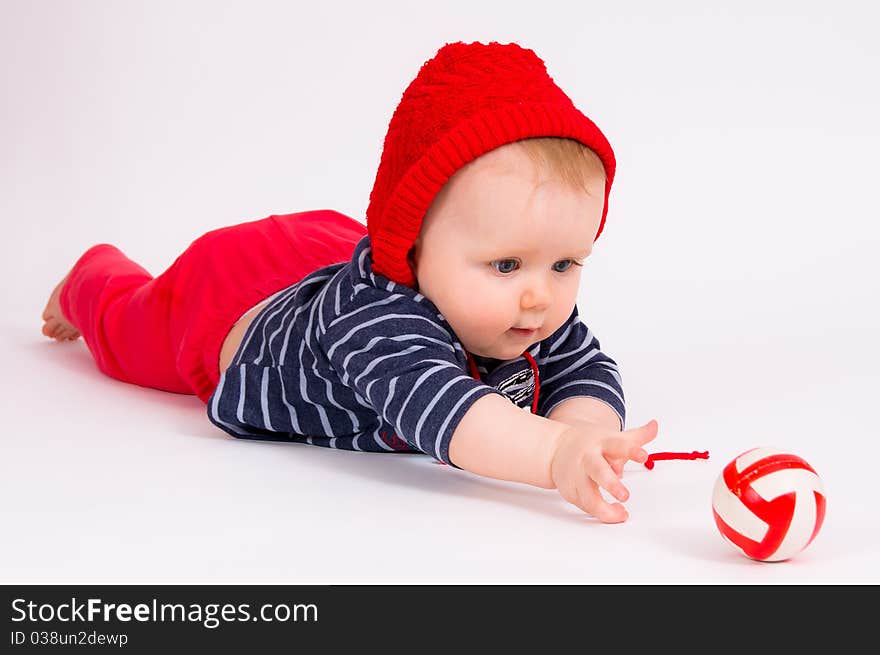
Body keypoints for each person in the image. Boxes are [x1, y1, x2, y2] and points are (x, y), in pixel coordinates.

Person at [41, 40, 659, 523]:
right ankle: (91, 277)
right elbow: (450, 413)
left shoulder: (525, 306)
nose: (540, 294)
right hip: (230, 300)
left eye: (564, 264)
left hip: (329, 255)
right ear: (413, 250)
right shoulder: (379, 326)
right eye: (506, 265)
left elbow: (584, 369)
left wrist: (587, 433)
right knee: (128, 329)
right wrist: (553, 454)